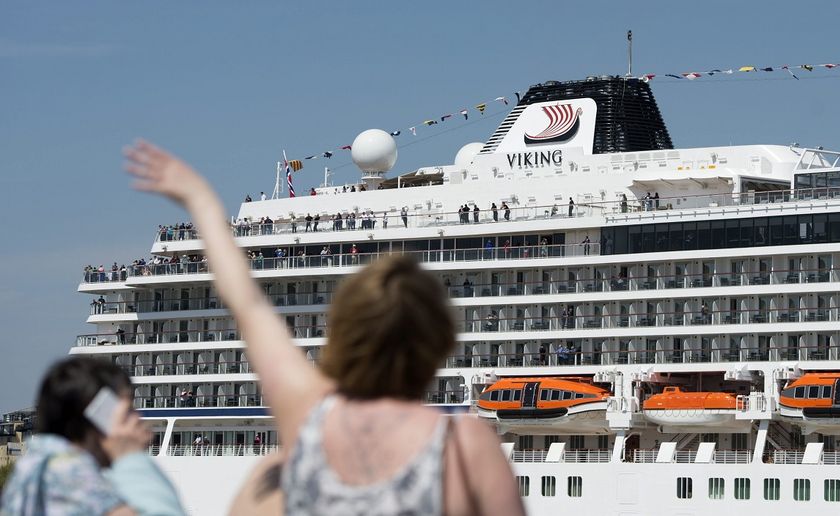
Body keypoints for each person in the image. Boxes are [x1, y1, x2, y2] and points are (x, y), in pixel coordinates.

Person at [124, 140, 524, 516]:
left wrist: (200, 200)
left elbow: (247, 303)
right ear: (441, 340)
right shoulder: (466, 448)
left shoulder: (307, 418)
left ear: (340, 332)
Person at [0, 357, 184, 515]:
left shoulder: (38, 462)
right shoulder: (66, 469)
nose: (138, 417)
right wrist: (130, 456)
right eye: (128, 409)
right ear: (100, 414)